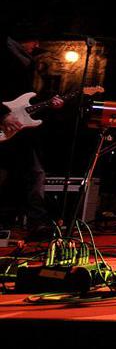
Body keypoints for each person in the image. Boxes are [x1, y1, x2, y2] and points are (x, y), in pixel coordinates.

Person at [1, 29, 63, 236]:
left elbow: (25, 102)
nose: (36, 45)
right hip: (8, 124)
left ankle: (36, 221)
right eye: (34, 40)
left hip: (20, 131)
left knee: (33, 173)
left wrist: (49, 104)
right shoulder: (7, 57)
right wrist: (3, 115)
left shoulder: (27, 62)